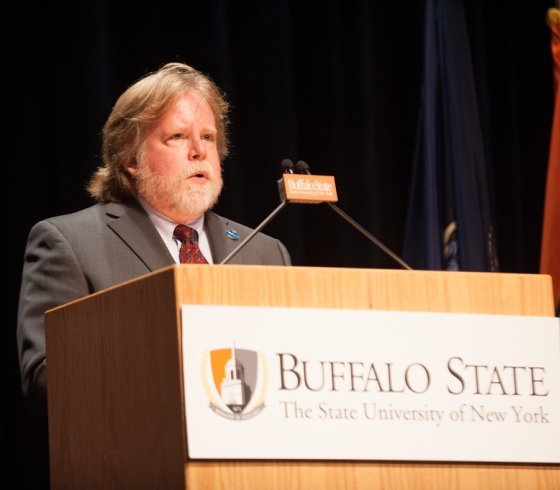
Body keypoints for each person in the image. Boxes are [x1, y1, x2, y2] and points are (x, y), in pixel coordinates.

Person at [16, 62, 290, 486]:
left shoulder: (265, 251)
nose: (199, 151)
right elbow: (45, 377)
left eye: (209, 138)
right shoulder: (69, 242)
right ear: (130, 159)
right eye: (178, 137)